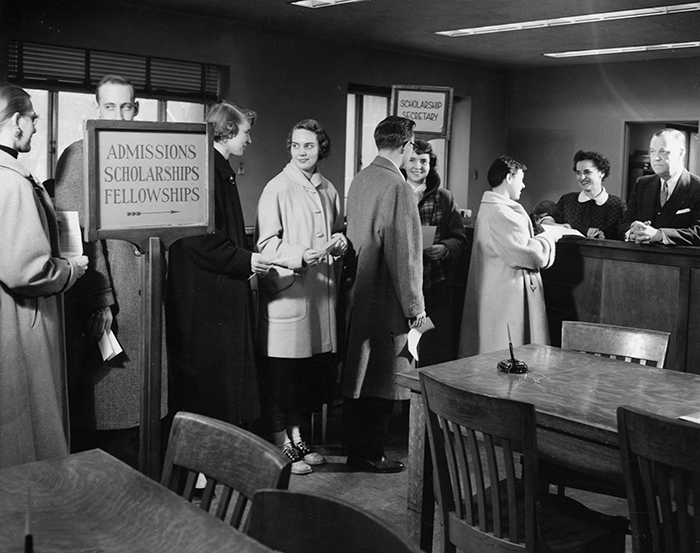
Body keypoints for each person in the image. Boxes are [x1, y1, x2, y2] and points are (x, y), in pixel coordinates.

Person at [54, 75, 164, 466]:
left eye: (128, 107)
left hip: (145, 295)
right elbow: (71, 234)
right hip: (109, 301)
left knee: (143, 409)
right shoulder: (79, 155)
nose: (120, 115)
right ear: (96, 110)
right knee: (110, 412)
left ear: (137, 109)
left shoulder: (146, 155)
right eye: (111, 107)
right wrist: (98, 301)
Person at [166, 100, 272, 431]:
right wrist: (249, 259)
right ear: (227, 132)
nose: (249, 140)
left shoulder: (215, 167)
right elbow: (200, 240)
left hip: (217, 291)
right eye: (245, 133)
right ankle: (204, 473)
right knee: (213, 386)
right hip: (209, 296)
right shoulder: (206, 170)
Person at [0, 83, 88, 468]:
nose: (36, 126)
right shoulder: (13, 182)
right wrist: (71, 270)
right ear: (16, 121)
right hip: (21, 323)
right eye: (33, 118)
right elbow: (27, 270)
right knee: (31, 438)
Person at [255, 119, 348, 475]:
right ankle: (281, 443)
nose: (302, 152)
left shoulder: (329, 189)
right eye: (296, 145)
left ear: (320, 148)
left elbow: (338, 231)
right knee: (284, 375)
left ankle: (297, 436)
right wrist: (300, 254)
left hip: (320, 296)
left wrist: (341, 243)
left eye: (308, 146)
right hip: (290, 295)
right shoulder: (276, 188)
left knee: (307, 376)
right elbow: (265, 244)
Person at [342, 115, 426, 474]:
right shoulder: (398, 186)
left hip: (360, 290)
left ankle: (357, 450)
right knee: (385, 376)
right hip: (387, 295)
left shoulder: (361, 178)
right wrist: (414, 306)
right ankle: (371, 454)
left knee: (361, 376)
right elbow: (404, 254)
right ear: (407, 146)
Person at [458, 155, 563, 358]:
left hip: (500, 291)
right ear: (509, 177)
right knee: (507, 354)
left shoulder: (494, 208)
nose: (523, 185)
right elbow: (526, 255)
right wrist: (550, 237)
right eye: (520, 178)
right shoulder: (500, 212)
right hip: (506, 296)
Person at [404, 139, 468, 366]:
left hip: (434, 285)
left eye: (424, 161)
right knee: (405, 348)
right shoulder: (395, 194)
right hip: (403, 285)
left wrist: (444, 248)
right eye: (412, 160)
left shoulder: (444, 197)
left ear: (431, 164)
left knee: (431, 346)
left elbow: (460, 238)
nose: (417, 166)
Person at [618, 128, 700, 246]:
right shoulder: (642, 184)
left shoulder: (697, 187)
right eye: (652, 151)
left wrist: (659, 235)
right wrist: (631, 232)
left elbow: (698, 232)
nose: (656, 158)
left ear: (681, 153)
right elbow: (624, 222)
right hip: (641, 260)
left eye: (663, 151)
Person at [555, 150, 624, 239]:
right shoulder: (567, 200)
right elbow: (546, 222)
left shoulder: (617, 205)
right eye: (578, 173)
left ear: (602, 173)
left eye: (587, 172)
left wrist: (604, 238)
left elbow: (624, 236)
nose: (582, 178)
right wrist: (562, 227)